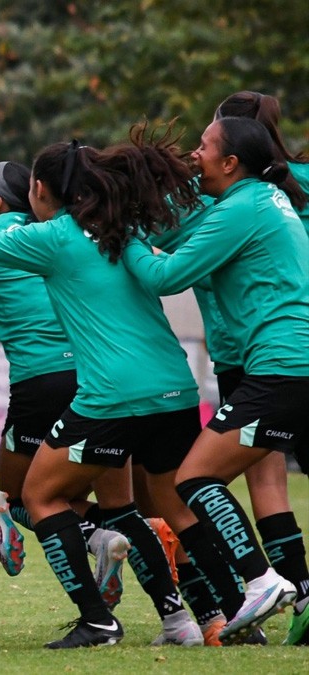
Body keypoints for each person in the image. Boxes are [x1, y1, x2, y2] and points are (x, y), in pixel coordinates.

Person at [0, 126, 211, 649]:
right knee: (121, 504)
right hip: (95, 379)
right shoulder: (73, 233)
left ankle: (95, 568)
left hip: (43, 385)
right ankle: (178, 619)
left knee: (23, 497)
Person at [122, 115, 308, 643]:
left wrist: (126, 236)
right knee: (231, 481)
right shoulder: (265, 198)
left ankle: (261, 581)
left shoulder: (241, 207)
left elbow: (166, 276)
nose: (193, 156)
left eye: (203, 146)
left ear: (231, 163)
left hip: (281, 368)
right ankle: (285, 587)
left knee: (193, 478)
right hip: (290, 365)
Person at [213, 90, 309, 646]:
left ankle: (288, 586)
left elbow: (174, 264)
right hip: (291, 346)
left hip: (255, 352)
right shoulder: (293, 183)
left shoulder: (235, 196)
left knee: (263, 480)